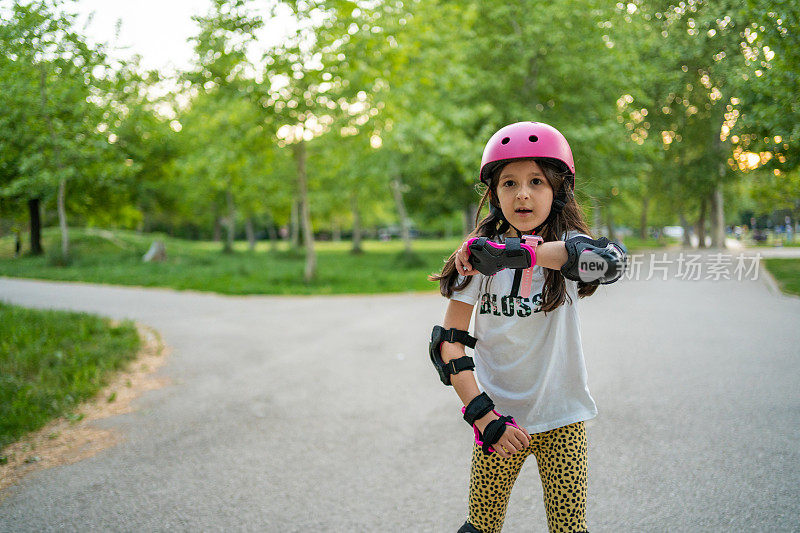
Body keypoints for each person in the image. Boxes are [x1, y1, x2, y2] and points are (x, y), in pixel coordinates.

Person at [428, 122, 626, 533]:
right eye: (509, 183)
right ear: (494, 195)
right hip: (500, 421)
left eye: (537, 181)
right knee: (481, 527)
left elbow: (610, 264)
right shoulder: (478, 259)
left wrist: (523, 255)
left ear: (558, 190)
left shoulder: (569, 250)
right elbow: (448, 347)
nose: (522, 193)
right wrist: (487, 421)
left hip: (563, 418)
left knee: (569, 529)